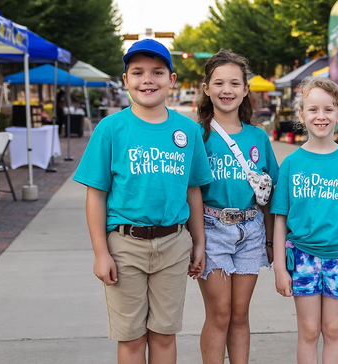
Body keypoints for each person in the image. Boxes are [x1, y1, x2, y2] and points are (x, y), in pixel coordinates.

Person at [72, 39, 212, 363]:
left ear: (172, 80)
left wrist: (199, 242)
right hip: (124, 245)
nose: (147, 79)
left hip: (174, 244)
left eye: (157, 72)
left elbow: (193, 191)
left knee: (164, 335)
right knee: (132, 338)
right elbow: (96, 194)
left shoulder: (187, 131)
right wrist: (100, 253)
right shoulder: (111, 129)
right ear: (125, 80)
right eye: (137, 72)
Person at [271, 76, 338, 364]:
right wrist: (280, 268)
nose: (321, 116)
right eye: (313, 109)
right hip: (302, 257)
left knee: (333, 329)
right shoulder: (292, 163)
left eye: (328, 109)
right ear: (302, 115)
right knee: (308, 330)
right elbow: (280, 221)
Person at [195, 49, 279, 364]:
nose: (226, 90)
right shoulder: (197, 136)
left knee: (240, 314)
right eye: (218, 83)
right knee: (220, 313)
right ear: (206, 88)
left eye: (234, 83)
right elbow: (190, 192)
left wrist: (271, 240)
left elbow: (269, 193)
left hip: (252, 230)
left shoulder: (258, 137)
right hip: (212, 229)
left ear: (245, 90)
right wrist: (197, 241)